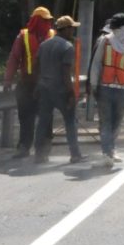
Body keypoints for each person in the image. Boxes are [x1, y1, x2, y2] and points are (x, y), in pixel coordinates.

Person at [88, 12, 124, 165]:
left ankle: (109, 151)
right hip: (114, 88)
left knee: (112, 122)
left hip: (113, 88)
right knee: (111, 122)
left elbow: (97, 64)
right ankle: (108, 151)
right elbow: (97, 63)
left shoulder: (109, 41)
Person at [3, 6, 55, 158]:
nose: (48, 23)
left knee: (46, 118)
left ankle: (43, 149)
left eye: (49, 20)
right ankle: (24, 147)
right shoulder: (23, 36)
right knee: (26, 117)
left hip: (46, 85)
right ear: (36, 21)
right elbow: (14, 57)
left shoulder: (52, 35)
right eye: (45, 20)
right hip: (27, 83)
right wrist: (8, 79)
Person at [33, 15, 84, 164]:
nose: (73, 31)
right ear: (65, 29)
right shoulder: (67, 47)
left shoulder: (44, 45)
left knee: (43, 122)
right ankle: (75, 154)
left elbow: (37, 67)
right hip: (60, 90)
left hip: (44, 88)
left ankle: (38, 154)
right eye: (72, 28)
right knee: (70, 122)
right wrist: (71, 93)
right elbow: (65, 73)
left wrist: (37, 86)